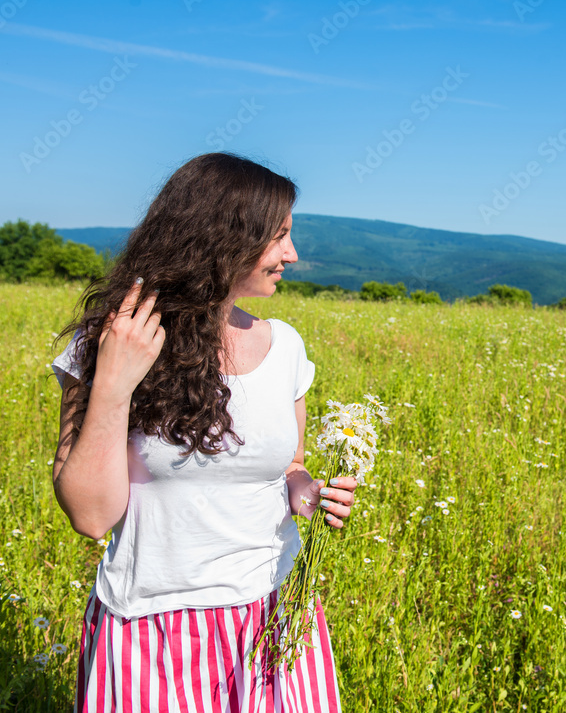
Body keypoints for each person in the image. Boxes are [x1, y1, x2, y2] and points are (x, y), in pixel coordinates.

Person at [50, 152, 355, 712]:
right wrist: (115, 383)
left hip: (276, 615)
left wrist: (306, 491)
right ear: (221, 238)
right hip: (153, 627)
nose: (293, 254)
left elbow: (288, 465)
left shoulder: (285, 346)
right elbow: (91, 517)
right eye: (279, 236)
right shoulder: (110, 342)